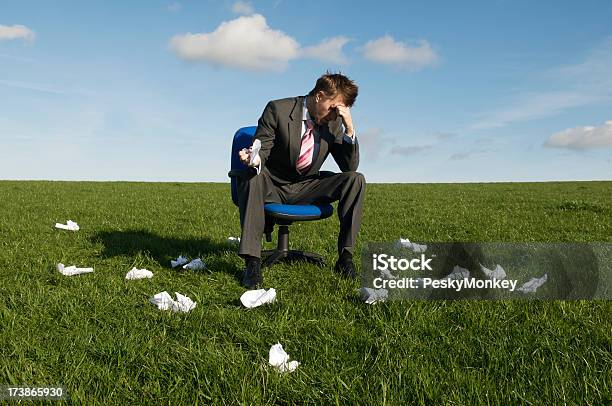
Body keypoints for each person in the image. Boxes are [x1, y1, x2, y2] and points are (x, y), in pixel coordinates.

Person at [237, 72, 365, 288]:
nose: (336, 115)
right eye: (334, 108)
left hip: (306, 186)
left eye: (341, 112)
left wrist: (349, 129)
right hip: (273, 184)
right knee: (253, 177)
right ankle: (252, 263)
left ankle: (345, 259)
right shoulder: (278, 109)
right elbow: (263, 149)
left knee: (355, 179)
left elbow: (349, 166)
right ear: (319, 96)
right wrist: (254, 158)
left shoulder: (334, 124)